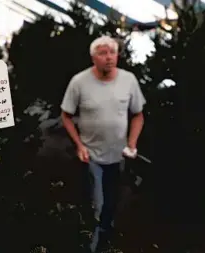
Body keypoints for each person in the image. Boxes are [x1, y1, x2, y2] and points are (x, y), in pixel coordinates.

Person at [60, 35, 146, 252]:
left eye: (112, 53)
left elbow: (138, 114)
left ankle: (106, 233)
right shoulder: (79, 82)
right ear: (93, 58)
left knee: (112, 202)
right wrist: (79, 145)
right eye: (103, 53)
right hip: (92, 156)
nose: (109, 57)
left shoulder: (129, 80)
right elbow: (66, 115)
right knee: (96, 203)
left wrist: (132, 143)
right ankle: (94, 244)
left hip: (119, 156)